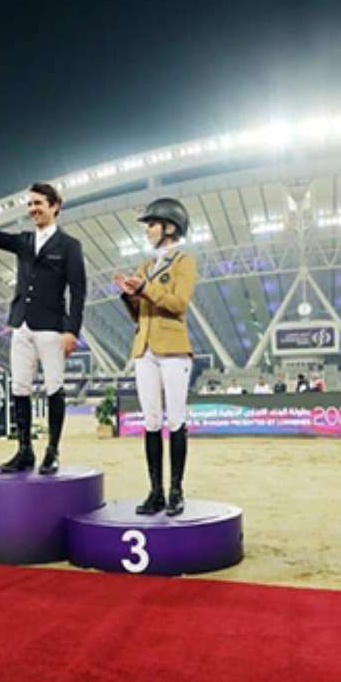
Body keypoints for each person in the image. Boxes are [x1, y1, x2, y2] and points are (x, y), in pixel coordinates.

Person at [0, 181, 86, 475]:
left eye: (38, 203)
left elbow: (78, 291)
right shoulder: (23, 241)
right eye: (30, 204)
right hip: (21, 324)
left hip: (52, 327)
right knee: (20, 388)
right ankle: (24, 450)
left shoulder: (70, 246)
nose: (33, 209)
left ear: (55, 206)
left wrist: (72, 330)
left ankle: (52, 451)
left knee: (54, 388)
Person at [114, 197, 198, 516]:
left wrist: (145, 289)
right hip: (144, 348)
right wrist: (129, 295)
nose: (147, 230)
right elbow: (139, 314)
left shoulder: (184, 262)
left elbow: (178, 304)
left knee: (175, 420)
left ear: (170, 228)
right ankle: (156, 491)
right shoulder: (145, 267)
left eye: (151, 224)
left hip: (173, 348)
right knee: (151, 421)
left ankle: (176, 491)